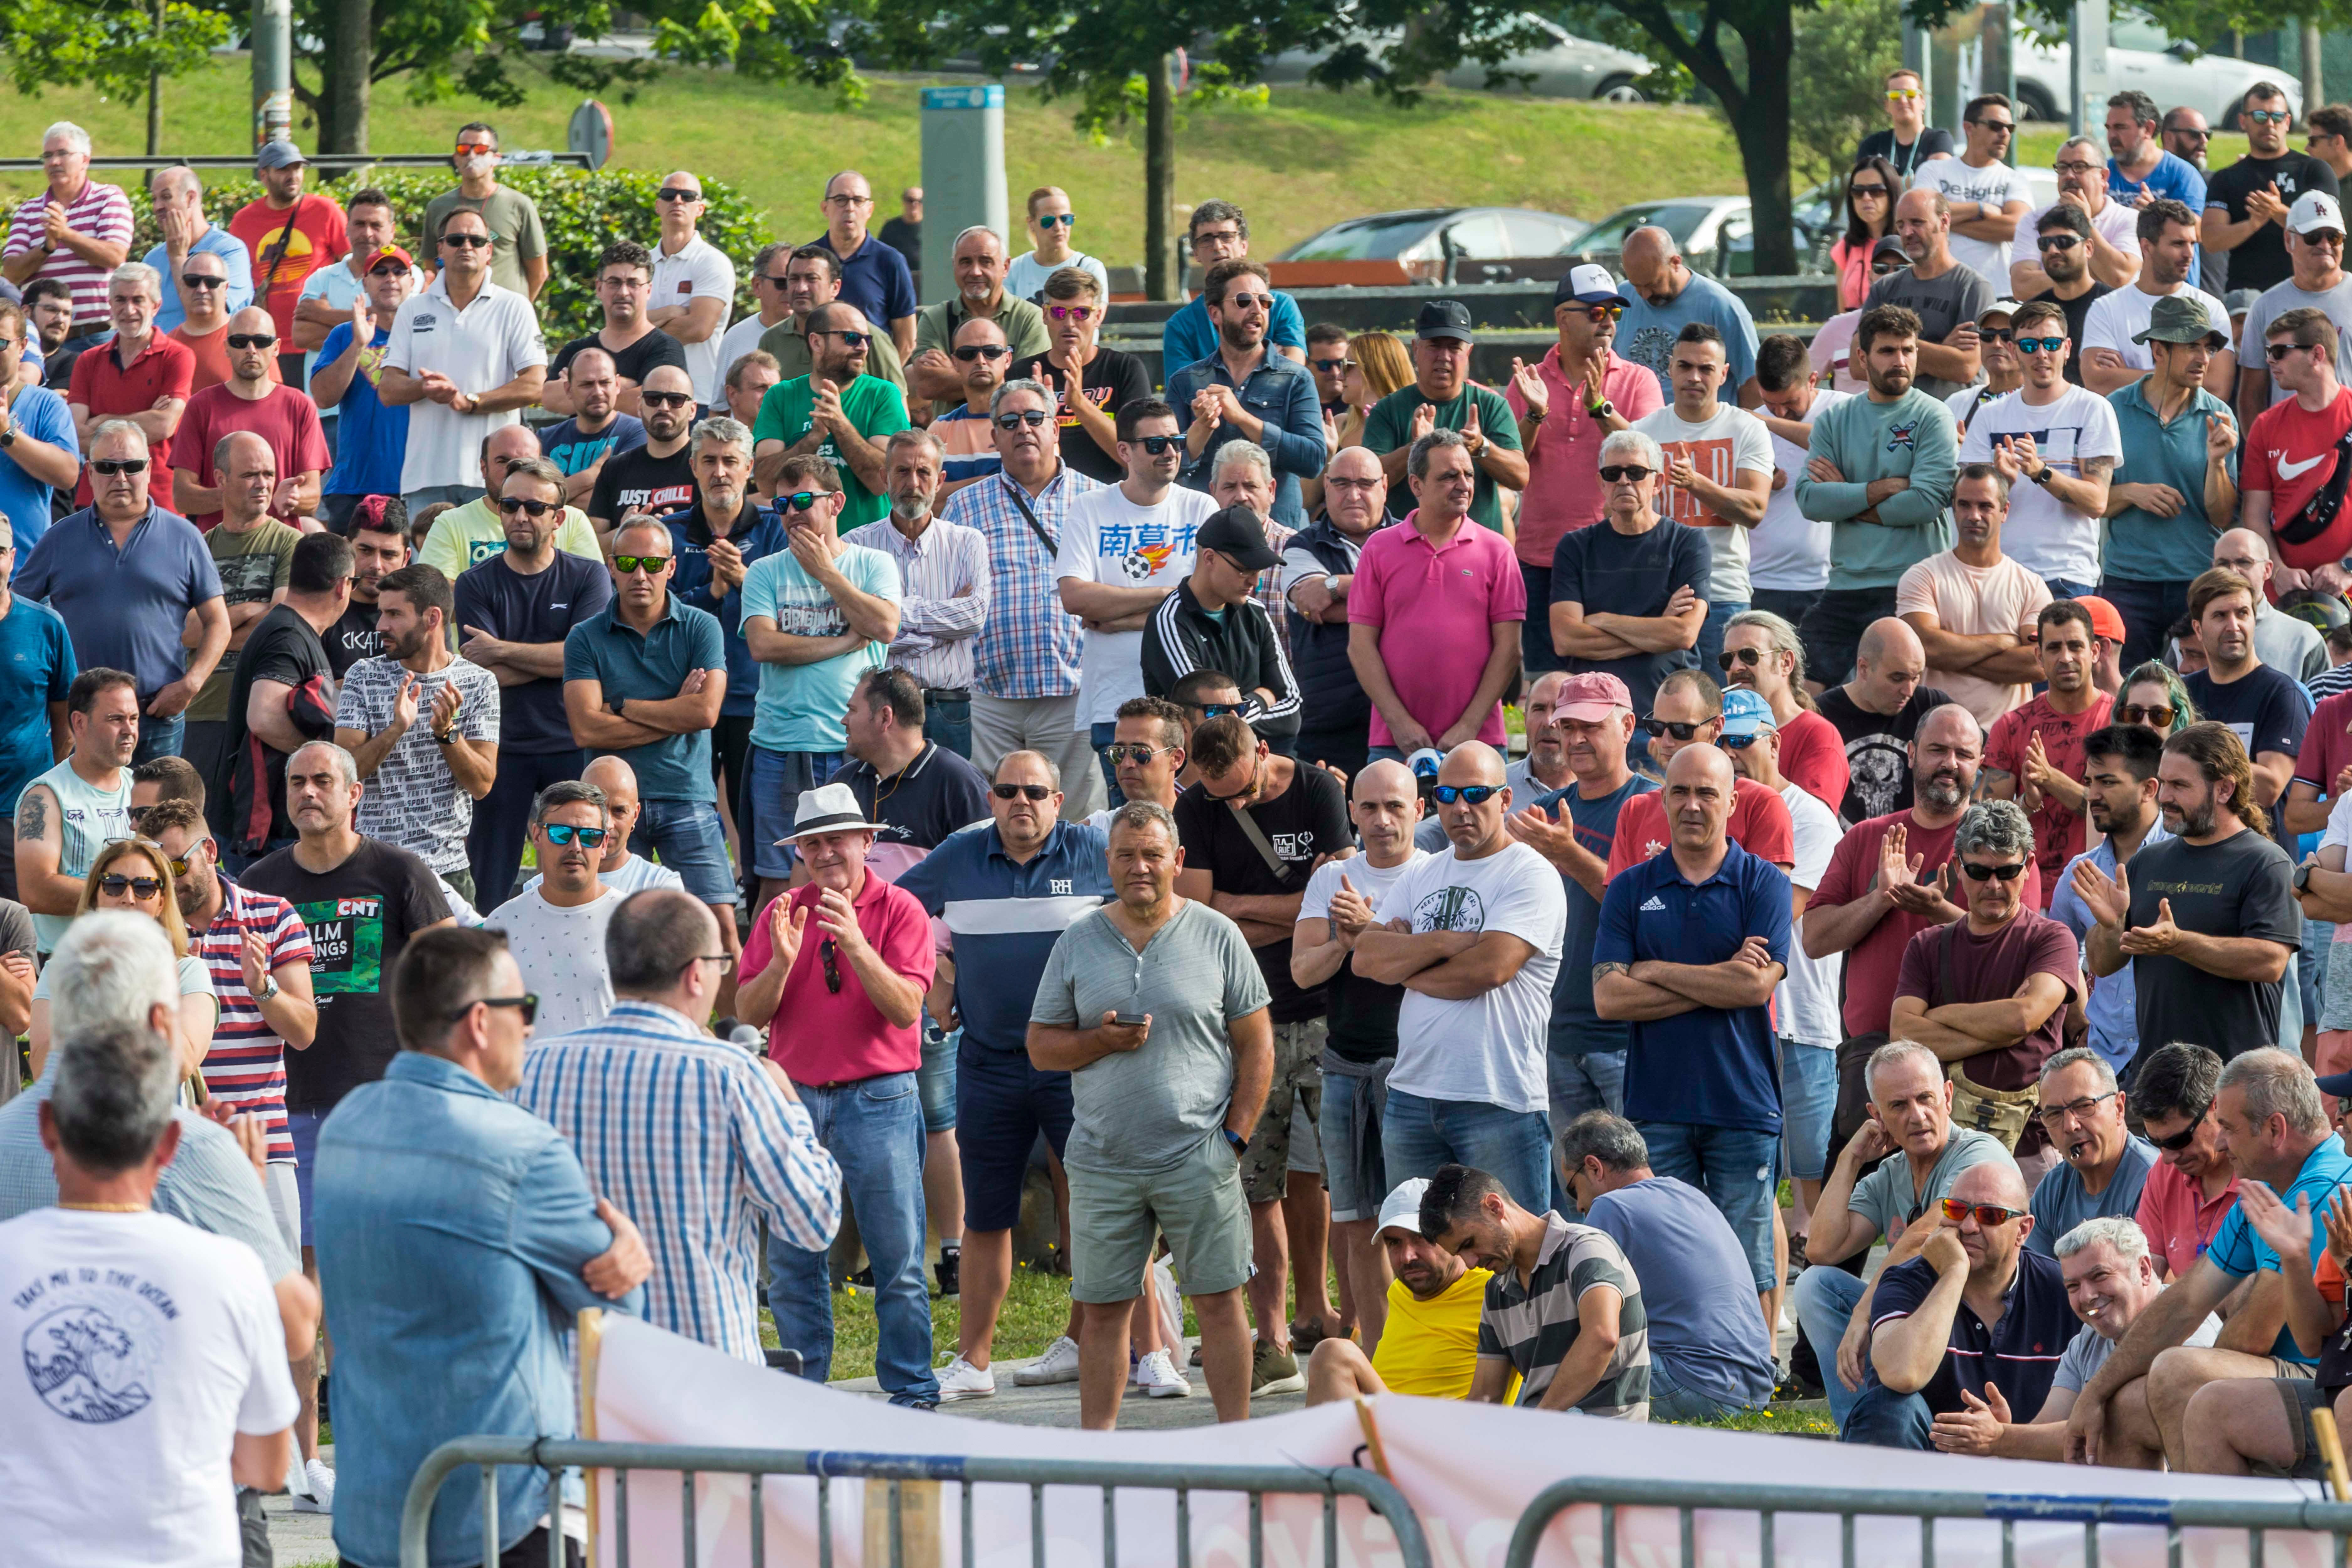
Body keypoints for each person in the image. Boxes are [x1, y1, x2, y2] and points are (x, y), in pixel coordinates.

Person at [314, 924, 646, 1568]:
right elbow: (616, 1305)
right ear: (478, 1022)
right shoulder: (520, 1150)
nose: (529, 1025)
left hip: (377, 1511)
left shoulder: (347, 1125)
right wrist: (626, 1246)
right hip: (501, 1518)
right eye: (522, 1008)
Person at [0, 1013, 300, 1567]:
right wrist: (245, 1202)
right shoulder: (233, 1269)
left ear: (47, 1130)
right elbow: (268, 1468)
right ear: (168, 1145)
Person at [518, 882, 841, 1365]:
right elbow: (814, 1222)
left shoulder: (528, 1072)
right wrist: (790, 1103)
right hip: (706, 1383)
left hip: (575, 1376)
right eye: (720, 966)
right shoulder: (733, 1075)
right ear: (696, 975)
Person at [1026, 800, 1269, 1427]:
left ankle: (1236, 1446)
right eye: (1127, 855)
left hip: (1200, 1156)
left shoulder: (1218, 934)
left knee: (1219, 1302)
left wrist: (1235, 1139)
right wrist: (1098, 1042)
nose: (1140, 866)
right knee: (1104, 1310)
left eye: (1153, 854)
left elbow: (1257, 1045)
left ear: (1178, 861)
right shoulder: (1079, 940)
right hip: (1104, 1160)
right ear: (1109, 861)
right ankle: (1098, 1454)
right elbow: (1042, 1047)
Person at [896, 751, 1118, 1398]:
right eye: (1007, 790)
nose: (1021, 801)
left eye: (1036, 791)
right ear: (989, 798)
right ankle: (975, 1362)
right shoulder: (961, 855)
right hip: (988, 1062)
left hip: (1078, 1061)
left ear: (1059, 800)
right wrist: (938, 972)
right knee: (985, 1216)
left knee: (1096, 1208)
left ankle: (1096, 1342)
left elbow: (1149, 910)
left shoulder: (1093, 851)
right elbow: (897, 913)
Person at [736, 782, 937, 1403]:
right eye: (811, 844)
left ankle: (912, 1392)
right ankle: (808, 1398)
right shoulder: (782, 913)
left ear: (866, 842)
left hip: (879, 1098)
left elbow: (905, 1009)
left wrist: (854, 941)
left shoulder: (901, 910)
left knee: (897, 1258)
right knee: (795, 1265)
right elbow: (746, 1010)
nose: (824, 854)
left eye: (835, 841)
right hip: (795, 1100)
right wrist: (780, 964)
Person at [2063, 1048, 2350, 1470]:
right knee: (2122, 1405)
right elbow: (2186, 1300)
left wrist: (2182, 1380)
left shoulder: (2323, 1190)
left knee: (2180, 1374)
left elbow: (2253, 1337)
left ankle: (2212, 1531)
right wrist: (2094, 1392)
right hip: (2301, 1376)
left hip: (2326, 1383)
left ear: (2275, 1129)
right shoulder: (2267, 1185)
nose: (2219, 1141)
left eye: (2229, 1128)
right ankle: (2147, 1536)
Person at [1173, 712, 1351, 1391]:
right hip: (1249, 1020)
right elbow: (1201, 911)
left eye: (1245, 794)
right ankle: (1273, 1336)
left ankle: (1356, 1326)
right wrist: (1293, 901)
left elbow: (1336, 902)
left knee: (1349, 1183)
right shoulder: (1197, 804)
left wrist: (1248, 907)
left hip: (1327, 1012)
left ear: (1266, 753)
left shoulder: (1317, 790)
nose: (1234, 806)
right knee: (1257, 1185)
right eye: (1222, 799)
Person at [1593, 741, 1792, 1321]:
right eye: (1680, 791)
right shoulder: (1631, 889)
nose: (1693, 805)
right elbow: (1609, 998)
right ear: (1662, 799)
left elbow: (1755, 989)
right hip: (1658, 1103)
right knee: (1665, 1252)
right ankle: (1681, 1368)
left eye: (1708, 792)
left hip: (1743, 1102)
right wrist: (1718, 975)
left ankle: (1755, 1374)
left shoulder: (1763, 885)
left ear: (1733, 801)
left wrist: (1652, 970)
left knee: (1747, 1250)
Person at [1353, 743, 1565, 1208]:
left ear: (1506, 800)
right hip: (1411, 1094)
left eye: (1476, 794)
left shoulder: (1531, 874)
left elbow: (1489, 969)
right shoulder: (1422, 873)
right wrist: (1447, 943)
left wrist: (1406, 965)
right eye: (1448, 794)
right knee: (1420, 1257)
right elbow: (1365, 959)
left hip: (1498, 1100)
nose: (1460, 808)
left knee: (1512, 1262)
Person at [562, 515, 739, 972]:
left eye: (652, 563)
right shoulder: (585, 636)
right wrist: (671, 711)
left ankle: (739, 1042)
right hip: (611, 806)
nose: (641, 575)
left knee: (720, 925)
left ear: (672, 568)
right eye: (628, 562)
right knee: (610, 929)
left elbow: (704, 713)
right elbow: (586, 730)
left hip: (687, 797)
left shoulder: (702, 627)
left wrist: (621, 706)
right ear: (611, 568)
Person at [1291, 759, 1427, 1351]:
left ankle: (1429, 1352)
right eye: (1369, 808)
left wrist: (1369, 932)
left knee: (1422, 1222)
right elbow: (1301, 972)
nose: (1382, 820)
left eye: (1395, 806)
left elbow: (1438, 965)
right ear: (1351, 812)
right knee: (1354, 1223)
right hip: (1344, 1066)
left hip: (1418, 1071)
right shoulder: (1331, 880)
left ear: (1420, 811)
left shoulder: (1437, 875)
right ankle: (1377, 1359)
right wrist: (1346, 946)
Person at [2073, 721, 2297, 1060]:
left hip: (2235, 1083)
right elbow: (2103, 964)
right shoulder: (2146, 862)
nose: (2164, 797)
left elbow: (2270, 961)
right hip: (2156, 1078)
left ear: (2224, 789)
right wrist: (2112, 923)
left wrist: (2179, 943)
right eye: (2163, 783)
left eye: (2179, 785)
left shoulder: (2266, 863)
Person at [453, 454, 615, 906]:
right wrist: (560, 658)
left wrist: (504, 650)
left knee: (583, 869)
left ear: (559, 518)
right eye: (510, 506)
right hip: (500, 747)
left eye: (535, 508)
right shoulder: (474, 583)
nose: (520, 516)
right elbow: (481, 673)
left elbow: (587, 657)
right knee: (489, 884)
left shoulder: (589, 576)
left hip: (571, 740)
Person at [739, 455, 901, 905]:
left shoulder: (874, 563)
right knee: (777, 881)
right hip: (780, 743)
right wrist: (843, 642)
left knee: (860, 877)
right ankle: (781, 973)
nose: (793, 511)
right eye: (783, 503)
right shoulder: (764, 570)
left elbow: (885, 627)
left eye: (805, 499)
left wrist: (826, 572)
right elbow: (763, 646)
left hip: (853, 746)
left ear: (837, 504)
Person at [1885, 796, 2076, 1169]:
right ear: (1958, 865)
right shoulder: (1927, 945)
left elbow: (2024, 1017)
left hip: (2031, 1144)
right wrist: (2003, 1032)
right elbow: (1903, 1033)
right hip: (1946, 1144)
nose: (1993, 885)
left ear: (2028, 867)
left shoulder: (2052, 938)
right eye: (1979, 871)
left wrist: (1939, 1016)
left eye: (2006, 872)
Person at [942, 376, 1104, 812]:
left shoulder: (1099, 501)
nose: (1023, 429)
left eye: (1035, 418)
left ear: (1056, 428)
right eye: (1010, 421)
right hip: (989, 695)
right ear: (994, 436)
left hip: (1073, 690)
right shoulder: (963, 507)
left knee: (1075, 819)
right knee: (990, 818)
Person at [24, 421, 227, 765]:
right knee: (82, 817)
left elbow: (218, 622)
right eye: (107, 467)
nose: (120, 478)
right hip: (83, 719)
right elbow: (17, 613)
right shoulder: (59, 538)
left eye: (131, 466)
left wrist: (191, 684)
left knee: (156, 818)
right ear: (90, 472)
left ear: (149, 468)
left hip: (157, 714)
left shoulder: (185, 537)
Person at [1504, 674, 1651, 1144]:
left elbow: (1654, 911)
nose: (1575, 739)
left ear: (1628, 726)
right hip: (1554, 1038)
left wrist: (1569, 855)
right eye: (1567, 727)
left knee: (1645, 1186)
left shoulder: (1659, 804)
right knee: (1578, 1200)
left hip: (1632, 1040)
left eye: (1590, 726)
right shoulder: (1542, 815)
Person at [1843, 1158, 2075, 1449]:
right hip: (1926, 1466)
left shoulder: (2062, 1287)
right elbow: (1901, 1374)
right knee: (1888, 1409)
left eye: (1989, 1215)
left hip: (2027, 1463)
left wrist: (2005, 1442)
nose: (1968, 1226)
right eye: (1956, 1210)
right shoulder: (1907, 1281)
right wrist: (1954, 1272)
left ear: (2024, 1231)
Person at [1560, 1110, 1777, 1421]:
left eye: (1573, 1189)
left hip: (1697, 1386)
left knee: (1554, 1373)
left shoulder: (1609, 1206)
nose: (1579, 1206)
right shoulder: (1690, 1193)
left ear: (1594, 1167)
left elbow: (1586, 1326)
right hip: (1754, 1390)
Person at [1054, 398, 1218, 796]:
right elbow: (1075, 597)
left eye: (1177, 440)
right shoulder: (1090, 507)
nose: (1172, 452)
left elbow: (1212, 602)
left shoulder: (1201, 507)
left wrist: (1120, 618)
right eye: (1157, 444)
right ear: (1124, 450)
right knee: (1131, 832)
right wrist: (1173, 594)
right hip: (1114, 703)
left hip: (1190, 708)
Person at [1794, 306, 1962, 688]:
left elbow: (1925, 502)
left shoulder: (1934, 416)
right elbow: (1810, 501)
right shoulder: (1834, 420)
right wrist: (1881, 488)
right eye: (1888, 351)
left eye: (1908, 350)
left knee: (1898, 693)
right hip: (1843, 585)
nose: (1900, 360)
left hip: (1911, 584)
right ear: (1862, 358)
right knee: (1804, 693)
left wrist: (1848, 499)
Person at [1334, 429, 1522, 767]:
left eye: (1468, 474)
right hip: (1395, 742)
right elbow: (1360, 646)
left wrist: (1469, 725)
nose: (1463, 484)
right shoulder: (1378, 549)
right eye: (1449, 476)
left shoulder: (1498, 550)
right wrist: (1399, 723)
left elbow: (1509, 650)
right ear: (1416, 485)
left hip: (1480, 741)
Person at [1502, 267, 1659, 667]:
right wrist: (1535, 414)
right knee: (1547, 679)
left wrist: (1599, 408)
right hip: (1541, 557)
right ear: (1562, 318)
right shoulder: (1530, 381)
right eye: (1595, 312)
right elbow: (1511, 463)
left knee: (1617, 678)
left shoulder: (1639, 380)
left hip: (1615, 554)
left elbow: (1645, 454)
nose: (1607, 322)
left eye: (1615, 313)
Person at [1418, 1163, 1650, 1418]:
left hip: (1603, 1433)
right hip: (1543, 1432)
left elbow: (1602, 1338)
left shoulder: (1587, 1248)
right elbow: (1486, 1396)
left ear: (1495, 1208)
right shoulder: (1497, 1292)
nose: (1471, 1263)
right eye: (1459, 1254)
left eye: (1470, 1244)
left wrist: (1537, 1423)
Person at [332, 563, 499, 902]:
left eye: (394, 614)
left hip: (447, 870)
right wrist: (396, 729)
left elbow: (482, 784)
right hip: (372, 866)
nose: (381, 626)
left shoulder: (480, 682)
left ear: (432, 618)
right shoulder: (363, 676)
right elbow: (344, 775)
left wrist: (447, 733)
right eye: (381, 613)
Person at [2098, 294, 2242, 668]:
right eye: (2191, 346)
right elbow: (2092, 501)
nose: (2204, 358)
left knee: (2199, 696)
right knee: (2125, 695)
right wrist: (2131, 492)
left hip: (2196, 580)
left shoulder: (2219, 415)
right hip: (2127, 580)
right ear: (2158, 350)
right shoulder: (2113, 409)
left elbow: (2223, 515)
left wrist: (2217, 463)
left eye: (2208, 348)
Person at [376, 208, 546, 512]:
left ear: (489, 251)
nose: (467, 246)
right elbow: (388, 389)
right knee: (428, 563)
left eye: (476, 240)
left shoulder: (515, 307)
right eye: (456, 239)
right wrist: (425, 388)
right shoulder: (412, 310)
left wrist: (472, 401)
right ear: (440, 248)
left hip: (494, 480)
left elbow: (535, 385)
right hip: (425, 477)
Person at [1958, 302, 2121, 599]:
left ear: (2068, 348)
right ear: (2014, 350)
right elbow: (1966, 505)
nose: (2042, 354)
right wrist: (2001, 482)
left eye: (2052, 344)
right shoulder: (1990, 415)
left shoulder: (2093, 409)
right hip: (1998, 574)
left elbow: (2097, 502)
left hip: (2066, 577)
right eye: (2030, 345)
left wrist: (2040, 472)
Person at [841, 427, 986, 760]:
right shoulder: (856, 544)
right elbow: (854, 626)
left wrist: (888, 617)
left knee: (950, 812)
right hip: (880, 709)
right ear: (885, 477)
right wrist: (939, 626)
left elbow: (974, 615)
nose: (914, 482)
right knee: (875, 808)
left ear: (940, 480)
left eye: (924, 472)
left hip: (948, 707)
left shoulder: (968, 542)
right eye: (902, 471)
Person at [177, 432, 301, 798]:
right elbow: (186, 633)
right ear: (219, 479)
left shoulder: (290, 542)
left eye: (269, 473)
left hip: (265, 713)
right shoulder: (197, 546)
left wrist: (214, 629)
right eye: (250, 474)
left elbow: (280, 627)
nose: (263, 484)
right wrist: (251, 609)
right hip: (204, 710)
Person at [1303, 1176, 1498, 1401]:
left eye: (1421, 1238)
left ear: (1451, 1233)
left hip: (1450, 1430)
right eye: (1394, 1243)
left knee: (1334, 1355)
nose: (1407, 1257)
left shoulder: (1493, 1292)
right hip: (1389, 1424)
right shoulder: (1401, 1292)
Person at [219, 532, 349, 868]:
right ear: (343, 585)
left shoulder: (294, 629)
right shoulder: (288, 634)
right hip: (268, 837)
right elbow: (263, 717)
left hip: (277, 830)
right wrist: (322, 765)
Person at [2046, 725, 2171, 1073]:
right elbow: (2058, 960)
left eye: (2108, 782)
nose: (2092, 794)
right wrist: (2081, 1022)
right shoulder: (2079, 873)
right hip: (2107, 1065)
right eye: (2089, 782)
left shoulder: (2186, 861)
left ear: (2149, 788)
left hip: (2174, 1058)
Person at [1165, 259, 1325, 531]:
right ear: (1215, 314)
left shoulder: (1296, 378)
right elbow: (1167, 464)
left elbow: (1313, 460)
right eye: (1243, 301)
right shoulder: (1186, 381)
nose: (1257, 310)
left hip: (1277, 530)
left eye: (1265, 301)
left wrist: (1242, 418)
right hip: (1204, 529)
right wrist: (1201, 429)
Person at [1895, 463, 2053, 727]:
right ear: (1954, 508)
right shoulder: (1922, 576)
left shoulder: (2031, 585)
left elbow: (2038, 664)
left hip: (2006, 742)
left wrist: (1951, 657)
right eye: (1965, 505)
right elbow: (1925, 648)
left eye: (1985, 506)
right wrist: (2004, 641)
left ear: (2005, 511)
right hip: (1936, 734)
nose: (1974, 516)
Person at [1982, 601, 2116, 906]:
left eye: (2076, 646)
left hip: (2101, 895)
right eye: (2054, 648)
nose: (2066, 657)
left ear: (2095, 652)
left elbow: (2120, 812)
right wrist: (2027, 803)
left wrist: (2050, 778)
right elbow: (1987, 826)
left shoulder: (2119, 721)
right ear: (2039, 656)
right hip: (2025, 896)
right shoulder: (2012, 726)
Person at [1140, 503, 1302, 748]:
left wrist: (1234, 714)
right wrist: (1263, 697)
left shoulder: (1255, 613)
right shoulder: (1170, 621)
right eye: (1245, 570)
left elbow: (1291, 713)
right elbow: (1206, 724)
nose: (1255, 582)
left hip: (1264, 769)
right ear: (1210, 558)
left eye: (1259, 571)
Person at [2176, 566, 2310, 846]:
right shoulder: (2183, 694)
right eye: (2220, 616)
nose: (2234, 626)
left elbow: (2270, 787)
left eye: (2243, 614)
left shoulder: (2282, 693)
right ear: (2198, 629)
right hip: (2194, 853)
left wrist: (2194, 764)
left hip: (2261, 862)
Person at [479, 781, 622, 1039]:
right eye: (560, 833)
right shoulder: (501, 925)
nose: (576, 847)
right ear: (537, 836)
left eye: (590, 836)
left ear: (604, 844)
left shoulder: (633, 922)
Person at [751, 301, 908, 531]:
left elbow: (883, 482)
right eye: (851, 338)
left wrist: (840, 425)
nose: (863, 347)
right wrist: (813, 439)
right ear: (816, 342)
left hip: (870, 549)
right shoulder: (780, 396)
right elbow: (766, 484)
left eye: (868, 339)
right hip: (800, 545)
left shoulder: (883, 395)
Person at [13, 666, 138, 954]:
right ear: (79, 723)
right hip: (68, 967)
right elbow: (36, 891)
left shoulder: (143, 790)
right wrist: (127, 896)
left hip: (133, 961)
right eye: (115, 719)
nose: (129, 730)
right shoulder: (46, 796)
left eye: (133, 719)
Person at [169, 308, 326, 530]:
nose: (251, 350)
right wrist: (240, 495)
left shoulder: (300, 406)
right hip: (217, 552)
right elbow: (183, 497)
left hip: (280, 552)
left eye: (261, 341)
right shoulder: (200, 406)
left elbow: (312, 497)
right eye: (240, 341)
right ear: (226, 348)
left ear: (277, 348)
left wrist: (290, 498)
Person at [2239, 306, 2352, 586]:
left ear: (2317, 354)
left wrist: (2346, 568)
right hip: (2287, 599)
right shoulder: (2266, 425)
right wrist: (2277, 571)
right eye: (2268, 351)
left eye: (2279, 352)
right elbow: (2255, 516)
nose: (2269, 361)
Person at [64, 264, 193, 509]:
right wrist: (147, 418)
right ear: (110, 304)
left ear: (156, 306)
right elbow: (76, 436)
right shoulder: (88, 361)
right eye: (121, 300)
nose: (129, 310)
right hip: (95, 498)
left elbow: (164, 425)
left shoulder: (178, 356)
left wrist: (101, 421)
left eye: (138, 300)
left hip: (158, 498)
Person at [1013, 266, 1152, 489]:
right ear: (1046, 315)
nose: (1069, 323)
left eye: (1081, 313)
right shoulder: (1022, 374)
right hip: (1040, 499)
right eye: (1059, 312)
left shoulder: (1124, 369)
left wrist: (1079, 404)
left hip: (1110, 498)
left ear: (1098, 317)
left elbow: (1138, 458)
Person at [290, 187, 404, 458]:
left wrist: (326, 315)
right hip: (328, 412)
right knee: (331, 496)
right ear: (346, 228)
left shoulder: (406, 273)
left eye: (376, 225)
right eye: (360, 224)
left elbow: (398, 326)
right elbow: (302, 335)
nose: (367, 233)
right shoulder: (321, 278)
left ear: (392, 231)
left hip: (386, 411)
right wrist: (369, 325)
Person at [309, 241, 417, 524]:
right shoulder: (344, 334)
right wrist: (358, 345)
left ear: (412, 282)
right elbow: (323, 398)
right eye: (380, 272)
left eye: (399, 271)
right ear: (365, 283)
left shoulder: (429, 333)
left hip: (416, 483)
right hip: (353, 485)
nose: (390, 279)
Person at [2081, 200, 2234, 399]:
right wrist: (2186, 376)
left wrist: (2125, 374)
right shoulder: (2106, 309)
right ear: (2147, 247)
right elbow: (2098, 383)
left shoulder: (2212, 308)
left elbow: (2217, 387)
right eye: (2178, 244)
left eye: (2193, 244)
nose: (2189, 254)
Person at [1747, 333, 1845, 633]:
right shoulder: (1745, 424)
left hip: (1831, 584)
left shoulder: (1844, 409)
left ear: (1814, 380)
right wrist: (1757, 483)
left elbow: (1834, 441)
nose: (1780, 412)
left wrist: (1763, 421)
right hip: (1759, 584)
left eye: (1790, 403)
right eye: (1769, 403)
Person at [2206, 83, 2341, 299]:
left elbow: (2329, 232)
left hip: (2308, 291)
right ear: (2243, 122)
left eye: (2277, 117)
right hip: (2246, 295)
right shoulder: (2226, 178)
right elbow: (2212, 240)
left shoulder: (2314, 171)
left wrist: (2278, 212)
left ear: (2287, 122)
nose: (2270, 124)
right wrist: (2252, 224)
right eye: (2260, 116)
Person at [1864, 188, 1999, 404]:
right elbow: (1858, 362)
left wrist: (1889, 353)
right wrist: (1943, 350)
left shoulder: (1973, 287)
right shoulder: (1884, 288)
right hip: (1894, 418)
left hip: (1952, 420)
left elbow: (1966, 368)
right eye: (1901, 225)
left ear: (1944, 222)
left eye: (1917, 223)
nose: (1907, 233)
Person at [227, 141, 345, 384]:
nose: (293, 176)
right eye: (283, 169)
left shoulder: (326, 211)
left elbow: (355, 267)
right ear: (264, 176)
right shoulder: (243, 221)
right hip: (265, 344)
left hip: (316, 341)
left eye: (297, 168)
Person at [3, 123, 133, 338]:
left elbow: (115, 256)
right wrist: (46, 248)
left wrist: (66, 235)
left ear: (85, 160)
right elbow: (11, 273)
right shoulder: (28, 211)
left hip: (97, 334)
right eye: (48, 156)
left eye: (62, 154)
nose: (54, 162)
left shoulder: (109, 199)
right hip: (41, 339)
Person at [1816, 617, 1953, 821]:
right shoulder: (1821, 715)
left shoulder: (1932, 706)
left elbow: (1986, 755)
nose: (1908, 691)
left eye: (1915, 677)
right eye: (1897, 678)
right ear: (1863, 668)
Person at [0, 513, 72, 903]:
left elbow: (67, 723)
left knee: (23, 933)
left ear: (12, 559)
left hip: (22, 810)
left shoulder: (47, 625)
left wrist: (42, 789)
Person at [2236, 192, 2352, 429]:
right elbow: (2251, 396)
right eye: (2313, 237)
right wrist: (2264, 452)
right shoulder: (2265, 306)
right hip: (2290, 451)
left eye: (2334, 237)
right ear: (2289, 240)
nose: (2325, 245)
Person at [2025, 1047, 2157, 1254]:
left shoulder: (2154, 1182)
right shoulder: (2053, 1188)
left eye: (2085, 1106)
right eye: (2054, 1115)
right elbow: (2034, 1276)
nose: (2070, 1126)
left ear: (2119, 1108)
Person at [908, 225, 1049, 419]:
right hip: (951, 440)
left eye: (986, 262)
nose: (975, 272)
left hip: (1011, 436)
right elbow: (927, 387)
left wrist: (954, 371)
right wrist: (999, 376)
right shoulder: (935, 318)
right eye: (966, 262)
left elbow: (1026, 387)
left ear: (1006, 267)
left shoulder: (1030, 318)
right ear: (955, 267)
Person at [2129, 1042, 2240, 1279]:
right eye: (2155, 1141)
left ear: (2217, 1105)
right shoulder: (2163, 1173)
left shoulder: (2264, 1171)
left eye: (2178, 1141)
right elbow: (2147, 1275)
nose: (2168, 1158)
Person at [1615, 225, 1760, 403]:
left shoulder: (1720, 305)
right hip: (1633, 427)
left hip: (1703, 428)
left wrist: (1738, 427)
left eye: (1652, 284)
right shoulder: (1623, 297)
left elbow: (1752, 382)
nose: (1644, 295)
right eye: (1636, 285)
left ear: (1676, 263)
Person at [540, 243, 684, 422]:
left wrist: (581, 390)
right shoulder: (576, 350)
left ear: (649, 290)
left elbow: (652, 406)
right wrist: (626, 386)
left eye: (634, 283)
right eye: (614, 283)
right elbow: (549, 398)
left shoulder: (666, 349)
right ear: (599, 288)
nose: (624, 293)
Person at [1720, 608, 1846, 810]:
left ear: (1786, 663)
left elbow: (1808, 821)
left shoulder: (1818, 735)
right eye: (1728, 659)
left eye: (1749, 656)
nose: (1735, 668)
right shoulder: (1717, 722)